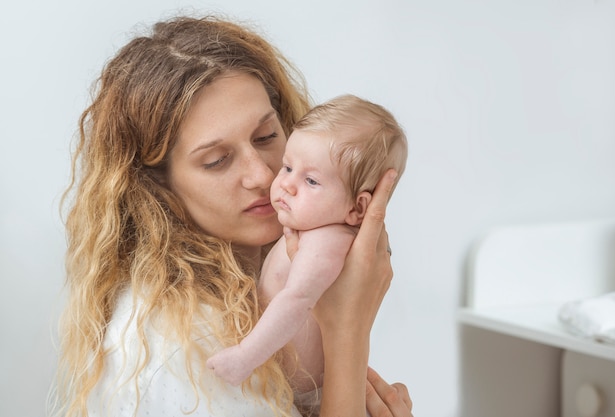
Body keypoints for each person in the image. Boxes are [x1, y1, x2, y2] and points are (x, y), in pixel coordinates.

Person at [52, 15, 413, 417]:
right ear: (157, 188)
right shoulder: (175, 344)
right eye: (218, 160)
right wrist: (348, 335)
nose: (265, 175)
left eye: (266, 137)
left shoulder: (269, 274)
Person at [206, 94, 408, 404]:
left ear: (358, 208)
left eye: (311, 180)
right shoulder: (307, 227)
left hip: (308, 396)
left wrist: (245, 357)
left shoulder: (327, 241)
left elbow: (296, 300)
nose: (285, 184)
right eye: (287, 167)